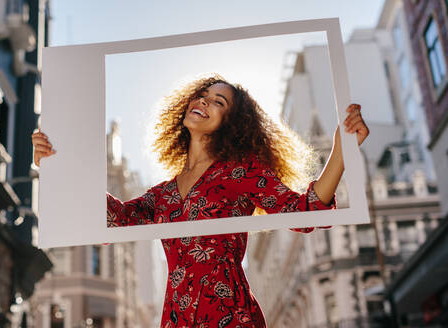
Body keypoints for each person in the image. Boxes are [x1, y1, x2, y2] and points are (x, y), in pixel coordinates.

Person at [32, 74, 369, 327]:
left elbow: (304, 213)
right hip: (177, 315)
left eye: (218, 102)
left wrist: (343, 148)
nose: (205, 102)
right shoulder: (162, 195)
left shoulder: (243, 172)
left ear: (231, 124)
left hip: (230, 313)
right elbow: (114, 220)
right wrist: (54, 164)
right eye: (203, 95)